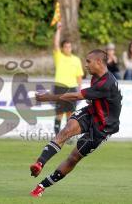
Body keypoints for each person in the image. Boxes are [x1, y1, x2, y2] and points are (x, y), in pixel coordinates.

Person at [29, 49, 122, 197]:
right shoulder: (97, 76)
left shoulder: (107, 82)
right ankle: (39, 163)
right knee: (66, 130)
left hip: (103, 127)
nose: (86, 65)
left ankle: (41, 186)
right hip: (92, 112)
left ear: (99, 62)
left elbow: (76, 95)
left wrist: (48, 97)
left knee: (73, 158)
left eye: (88, 61)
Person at [53, 22, 84, 135]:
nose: (68, 48)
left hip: (72, 88)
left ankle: (67, 136)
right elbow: (55, 44)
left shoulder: (76, 60)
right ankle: (57, 136)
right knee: (59, 113)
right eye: (66, 47)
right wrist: (59, 30)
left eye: (69, 47)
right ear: (62, 48)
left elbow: (79, 76)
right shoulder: (59, 57)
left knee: (70, 115)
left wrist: (80, 91)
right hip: (60, 87)